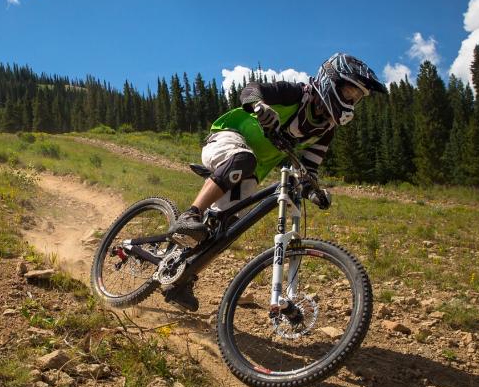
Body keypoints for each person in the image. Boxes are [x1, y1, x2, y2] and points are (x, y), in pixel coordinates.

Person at [163, 53, 388, 311]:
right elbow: (250, 90)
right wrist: (259, 106)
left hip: (252, 170)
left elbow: (308, 169)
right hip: (228, 139)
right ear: (331, 82)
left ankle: (181, 278)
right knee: (243, 159)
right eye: (349, 93)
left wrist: (314, 192)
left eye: (356, 98)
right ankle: (191, 214)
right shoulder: (297, 94)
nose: (351, 102)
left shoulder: (326, 129)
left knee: (225, 229)